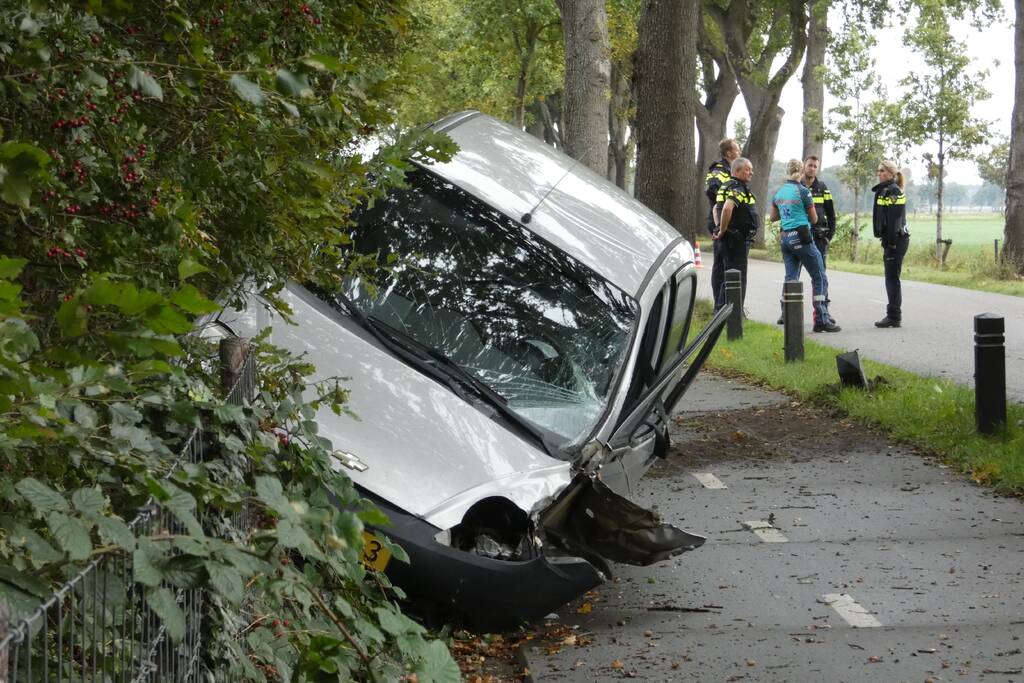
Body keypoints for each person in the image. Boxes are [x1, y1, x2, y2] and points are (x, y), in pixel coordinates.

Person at [770, 159, 839, 332]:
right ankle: (821, 319)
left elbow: (772, 217)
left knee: (791, 277)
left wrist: (787, 212)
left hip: (785, 238)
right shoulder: (803, 191)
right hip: (801, 236)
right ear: (801, 172)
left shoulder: (778, 192)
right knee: (819, 276)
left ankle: (788, 315)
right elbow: (815, 219)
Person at [714, 157, 758, 309]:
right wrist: (722, 230)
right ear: (737, 170)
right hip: (736, 240)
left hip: (730, 238)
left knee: (729, 276)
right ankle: (733, 314)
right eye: (748, 169)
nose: (751, 173)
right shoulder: (737, 187)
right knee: (736, 277)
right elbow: (727, 208)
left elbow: (716, 208)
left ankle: (722, 311)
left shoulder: (726, 185)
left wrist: (719, 228)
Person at [872, 160, 909, 328]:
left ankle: (894, 316)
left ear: (891, 174)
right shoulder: (885, 190)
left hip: (896, 241)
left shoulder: (893, 191)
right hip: (891, 240)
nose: (879, 173)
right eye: (878, 171)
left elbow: (894, 220)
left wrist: (891, 244)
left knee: (892, 279)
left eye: (882, 171)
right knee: (891, 278)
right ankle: (893, 314)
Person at [705, 139, 741, 310]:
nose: (739, 152)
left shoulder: (732, 170)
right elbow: (712, 191)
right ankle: (719, 306)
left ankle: (726, 306)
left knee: (728, 265)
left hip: (730, 222)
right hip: (719, 220)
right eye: (737, 150)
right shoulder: (718, 170)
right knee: (721, 265)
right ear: (729, 153)